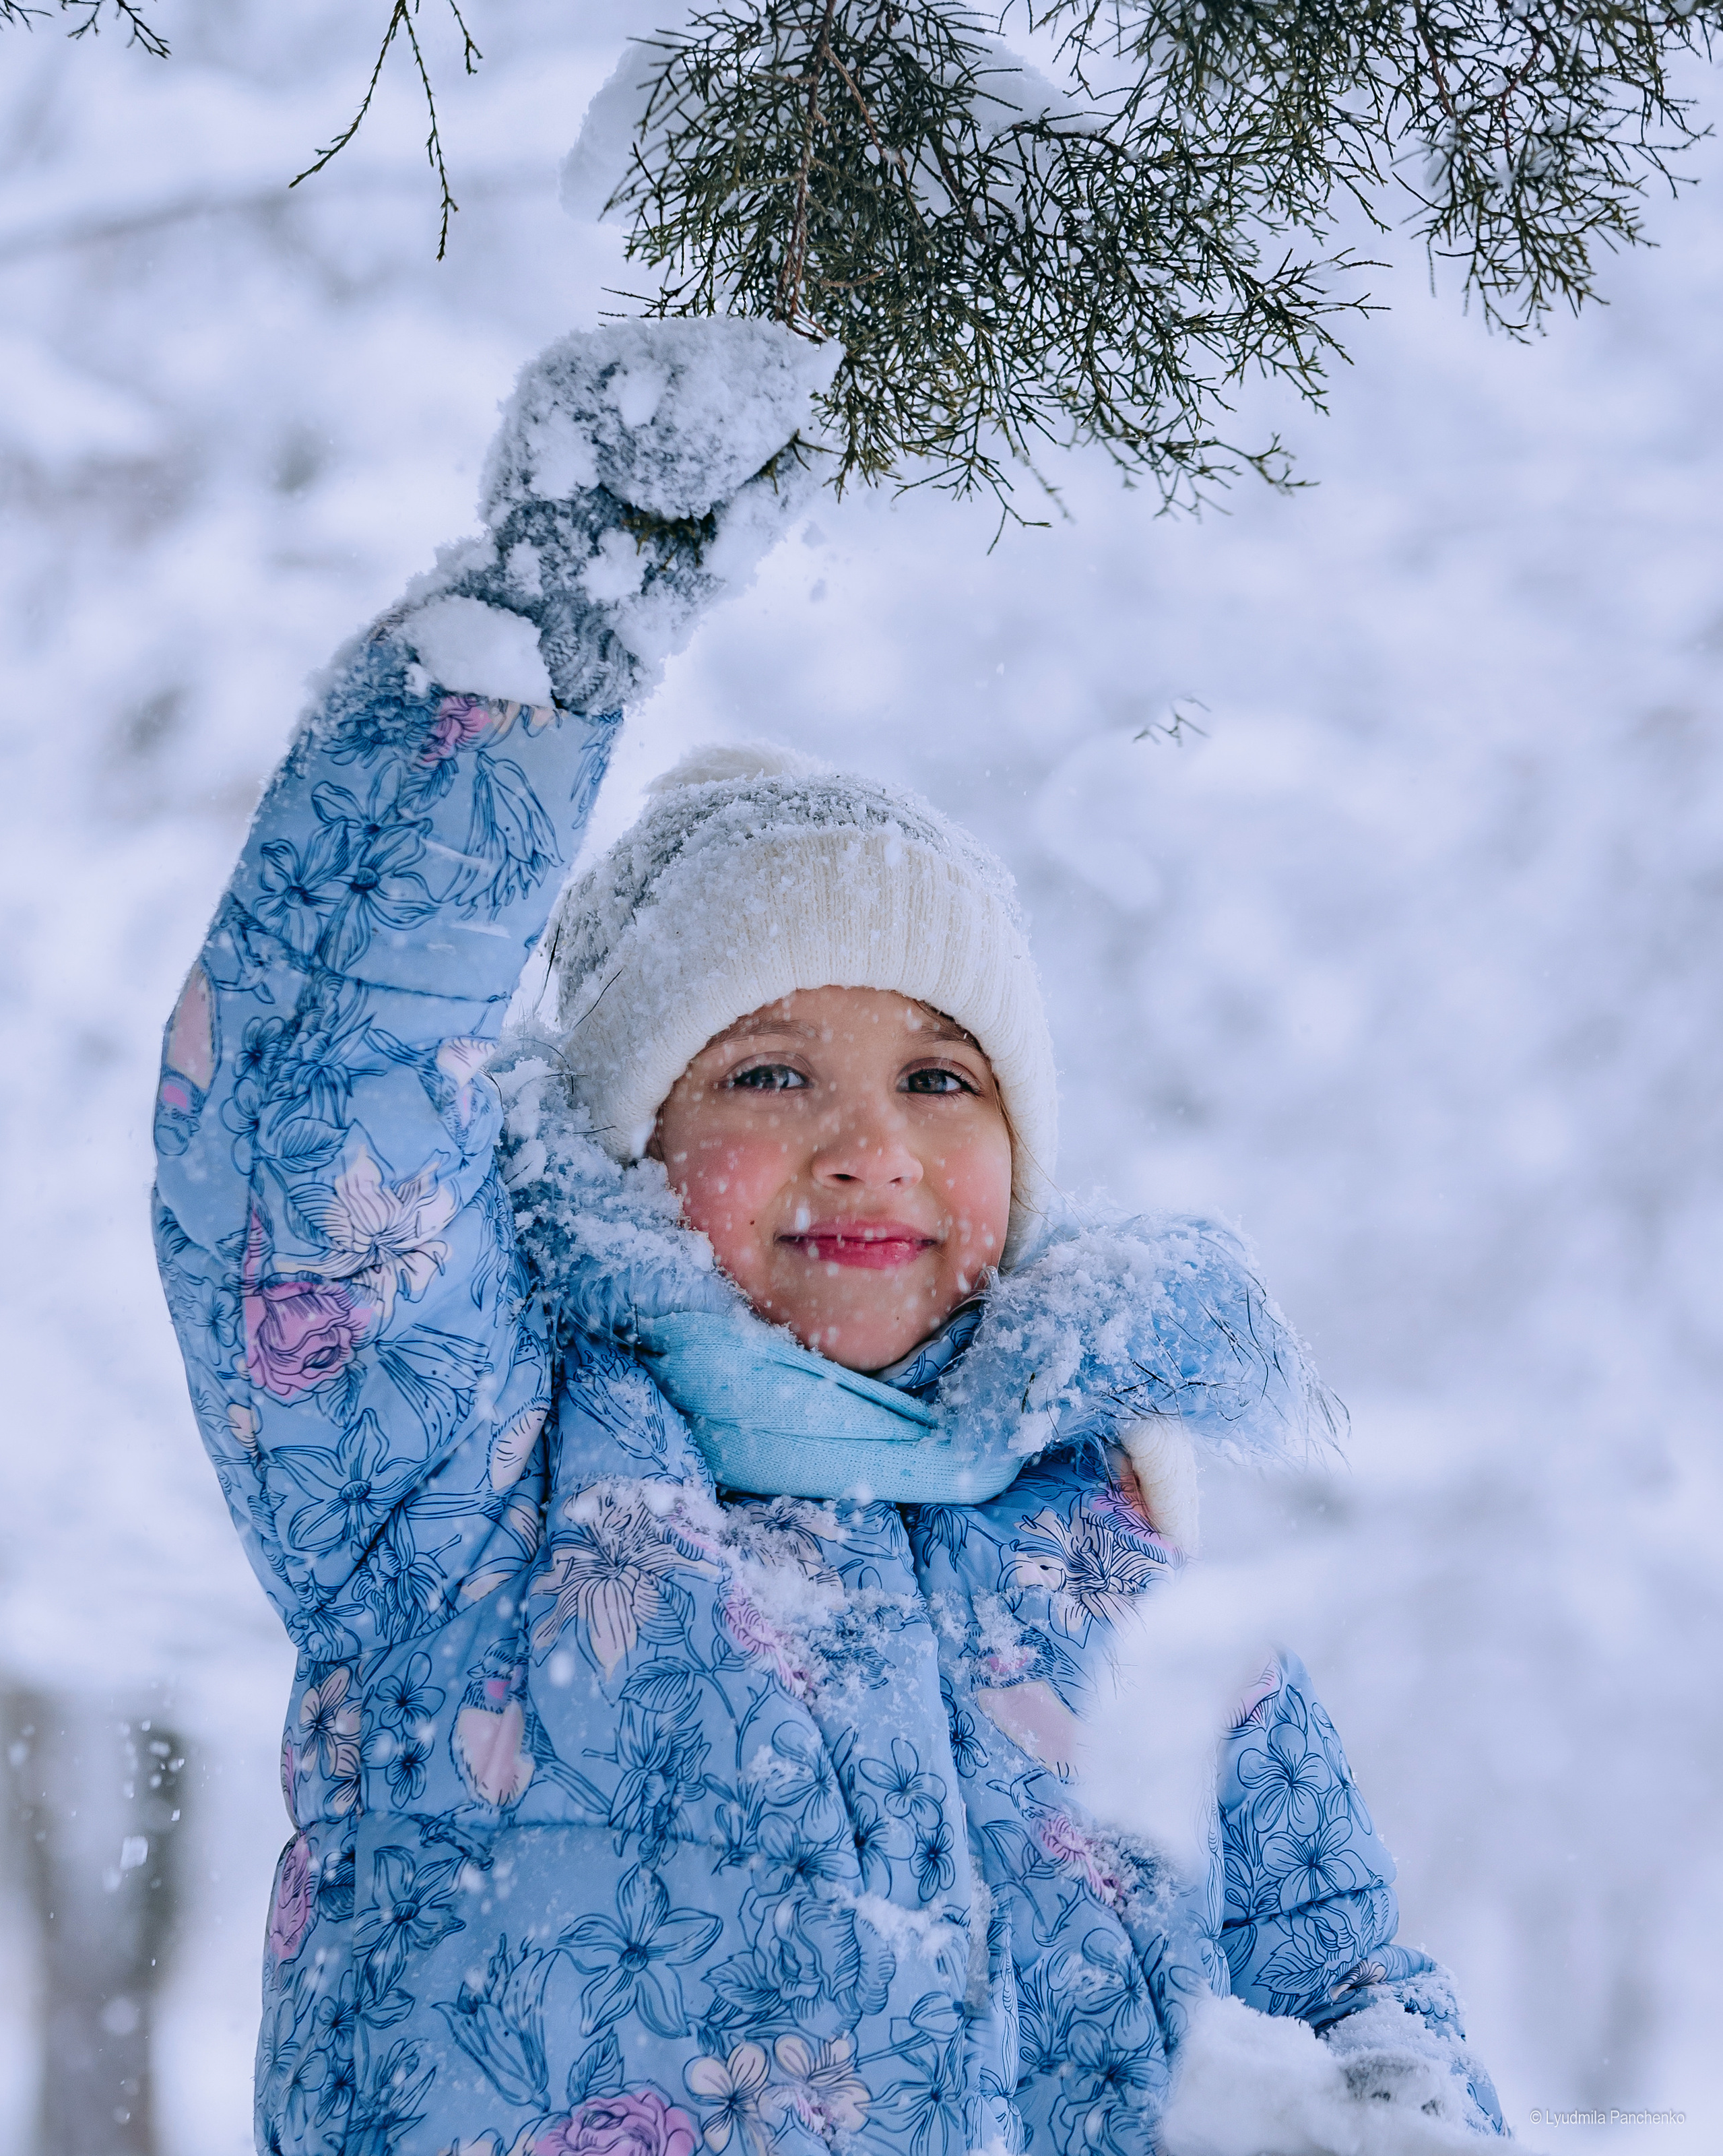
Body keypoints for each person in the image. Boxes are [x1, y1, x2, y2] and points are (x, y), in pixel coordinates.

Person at [152, 322, 1505, 2156]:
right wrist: (541, 647)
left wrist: (1400, 2109)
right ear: (634, 1140)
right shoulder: (469, 1483)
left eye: (944, 1081)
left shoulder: (1120, 1556)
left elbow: (1338, 1976)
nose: (871, 1149)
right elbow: (317, 1095)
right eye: (772, 1072)